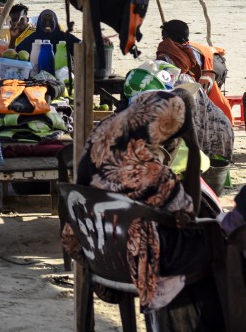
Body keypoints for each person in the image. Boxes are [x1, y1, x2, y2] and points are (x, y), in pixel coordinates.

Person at [63, 87, 225, 328]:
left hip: (97, 252)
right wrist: (192, 147)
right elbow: (190, 209)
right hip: (133, 261)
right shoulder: (152, 173)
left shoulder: (100, 136)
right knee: (216, 243)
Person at [156, 19, 233, 122]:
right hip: (203, 89)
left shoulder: (167, 51)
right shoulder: (190, 51)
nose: (163, 39)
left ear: (170, 37)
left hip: (184, 98)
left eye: (164, 36)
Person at [16, 9, 80, 53]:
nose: (47, 23)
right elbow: (16, 52)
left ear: (55, 22)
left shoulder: (64, 37)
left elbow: (81, 46)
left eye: (50, 20)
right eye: (44, 20)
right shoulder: (33, 38)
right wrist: (13, 38)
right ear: (39, 23)